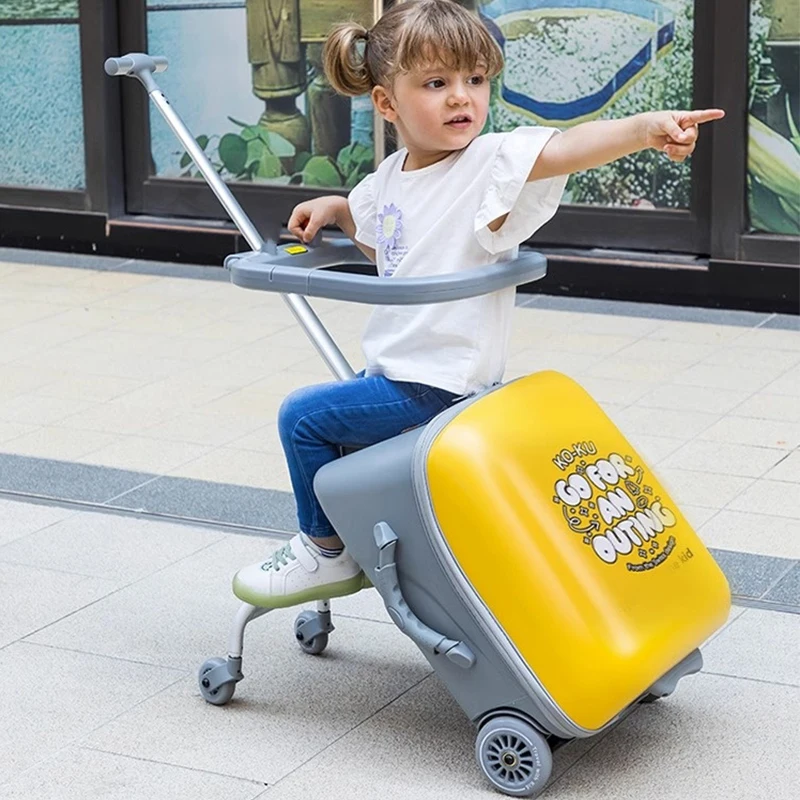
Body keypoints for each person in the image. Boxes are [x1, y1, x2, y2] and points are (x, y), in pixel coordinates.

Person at [232, 0, 724, 608]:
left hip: (437, 383)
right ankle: (358, 538)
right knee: (336, 435)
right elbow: (390, 240)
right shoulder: (388, 177)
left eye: (475, 80)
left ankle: (325, 551)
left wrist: (644, 129)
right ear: (387, 103)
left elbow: (569, 148)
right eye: (436, 84)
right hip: (398, 372)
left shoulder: (490, 164)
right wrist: (336, 208)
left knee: (303, 417)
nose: (461, 97)